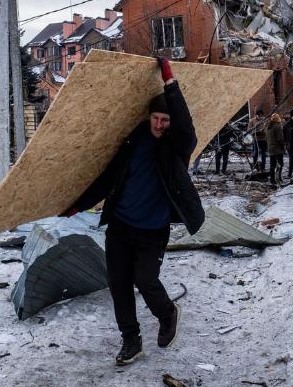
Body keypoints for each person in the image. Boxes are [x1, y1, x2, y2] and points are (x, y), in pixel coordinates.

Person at [63, 58, 204, 366]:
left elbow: (186, 127)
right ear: (149, 117)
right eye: (156, 118)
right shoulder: (133, 141)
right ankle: (131, 340)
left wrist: (170, 82)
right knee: (119, 283)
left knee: (146, 279)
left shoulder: (176, 149)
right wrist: (80, 205)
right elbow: (109, 177)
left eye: (165, 120)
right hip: (121, 226)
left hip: (153, 230)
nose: (160, 124)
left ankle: (167, 314)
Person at [266, 113, 285, 185]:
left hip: (271, 148)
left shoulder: (268, 126)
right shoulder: (278, 126)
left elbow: (266, 138)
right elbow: (280, 139)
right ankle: (278, 178)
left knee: (272, 165)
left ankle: (272, 179)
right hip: (278, 149)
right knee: (280, 164)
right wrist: (283, 147)